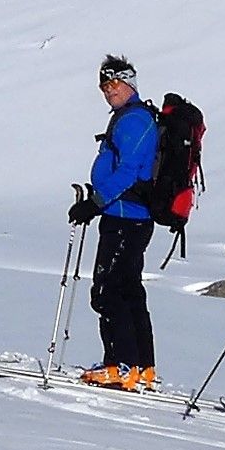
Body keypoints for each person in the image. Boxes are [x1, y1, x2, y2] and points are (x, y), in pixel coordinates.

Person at [71, 55, 161, 389]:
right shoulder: (128, 117)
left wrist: (94, 203)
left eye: (114, 84)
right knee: (128, 289)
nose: (108, 91)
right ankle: (140, 366)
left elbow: (126, 172)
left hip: (126, 217)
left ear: (129, 83)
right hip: (122, 214)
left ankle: (121, 364)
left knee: (108, 290)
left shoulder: (135, 120)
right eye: (103, 85)